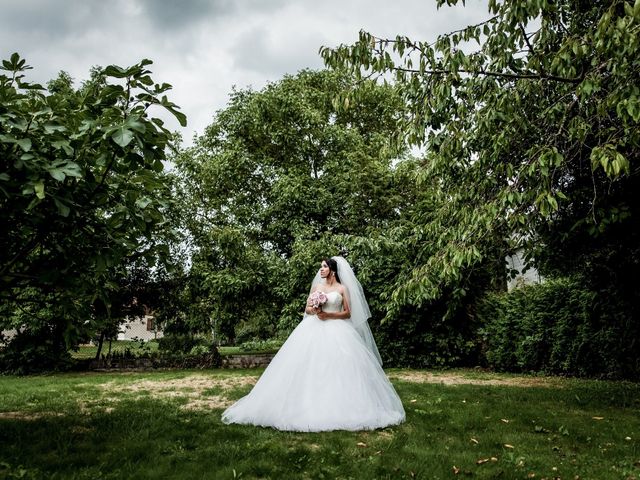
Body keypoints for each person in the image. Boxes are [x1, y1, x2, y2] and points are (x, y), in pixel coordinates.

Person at [221, 256, 405, 432]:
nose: (321, 269)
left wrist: (329, 315)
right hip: (314, 328)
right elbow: (307, 309)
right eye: (321, 267)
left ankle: (344, 405)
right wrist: (315, 309)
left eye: (324, 266)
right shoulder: (317, 286)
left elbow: (348, 313)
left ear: (332, 270)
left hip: (339, 330)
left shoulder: (342, 289)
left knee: (340, 367)